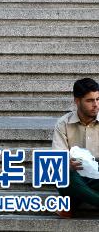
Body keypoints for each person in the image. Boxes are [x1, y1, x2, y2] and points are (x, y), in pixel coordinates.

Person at [52, 77, 99, 215]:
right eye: (90, 100)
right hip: (75, 175)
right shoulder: (63, 124)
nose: (96, 104)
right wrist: (68, 164)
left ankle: (71, 203)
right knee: (64, 176)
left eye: (98, 99)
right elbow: (57, 160)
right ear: (77, 101)